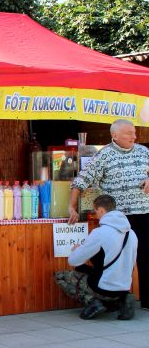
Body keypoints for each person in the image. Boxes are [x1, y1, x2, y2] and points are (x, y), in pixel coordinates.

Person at [69, 119, 149, 309]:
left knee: (147, 255)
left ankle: (147, 300)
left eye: (134, 132)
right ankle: (113, 300)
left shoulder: (144, 152)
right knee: (112, 258)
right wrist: (72, 206)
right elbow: (81, 180)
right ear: (115, 135)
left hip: (145, 213)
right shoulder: (104, 155)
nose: (134, 136)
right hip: (117, 218)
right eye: (129, 133)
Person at [56, 194, 137, 320]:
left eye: (95, 211)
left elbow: (73, 260)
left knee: (60, 276)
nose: (95, 215)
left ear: (101, 210)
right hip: (124, 287)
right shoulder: (132, 233)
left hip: (103, 287)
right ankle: (122, 300)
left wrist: (77, 249)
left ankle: (94, 302)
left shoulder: (100, 232)